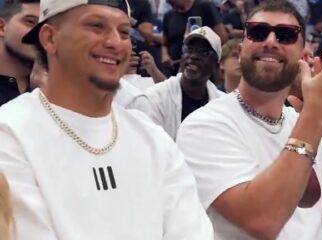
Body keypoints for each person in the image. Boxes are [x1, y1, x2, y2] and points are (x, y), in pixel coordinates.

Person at [0, 0, 213, 239]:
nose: (115, 42)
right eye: (96, 26)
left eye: (124, 32)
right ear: (50, 38)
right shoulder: (9, 132)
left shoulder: (152, 137)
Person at [177, 1, 322, 239]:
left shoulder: (306, 122)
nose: (270, 41)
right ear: (240, 53)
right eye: (258, 32)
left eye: (285, 35)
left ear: (303, 57)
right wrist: (316, 114)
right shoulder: (204, 125)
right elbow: (262, 221)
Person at [146, 26, 225, 140]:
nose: (193, 56)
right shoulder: (156, 97)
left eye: (203, 52)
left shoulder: (222, 105)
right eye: (189, 49)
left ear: (216, 66)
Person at [161, 0, 229, 75]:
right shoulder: (168, 16)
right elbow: (164, 42)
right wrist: (165, 55)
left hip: (203, 67)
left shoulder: (205, 7)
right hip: (176, 68)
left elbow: (222, 37)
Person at [0, 0, 39, 106]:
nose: (40, 34)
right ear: (2, 27)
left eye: (46, 27)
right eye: (30, 22)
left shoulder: (50, 93)